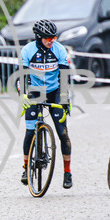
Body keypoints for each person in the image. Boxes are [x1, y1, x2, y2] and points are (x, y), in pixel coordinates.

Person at [19, 19, 73, 189]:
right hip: (35, 90)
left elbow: (64, 76)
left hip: (54, 91)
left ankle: (67, 172)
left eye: (54, 37)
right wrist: (22, 96)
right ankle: (26, 168)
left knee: (62, 132)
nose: (52, 40)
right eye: (48, 38)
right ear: (39, 37)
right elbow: (21, 76)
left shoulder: (59, 50)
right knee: (29, 132)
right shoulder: (28, 50)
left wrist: (64, 99)